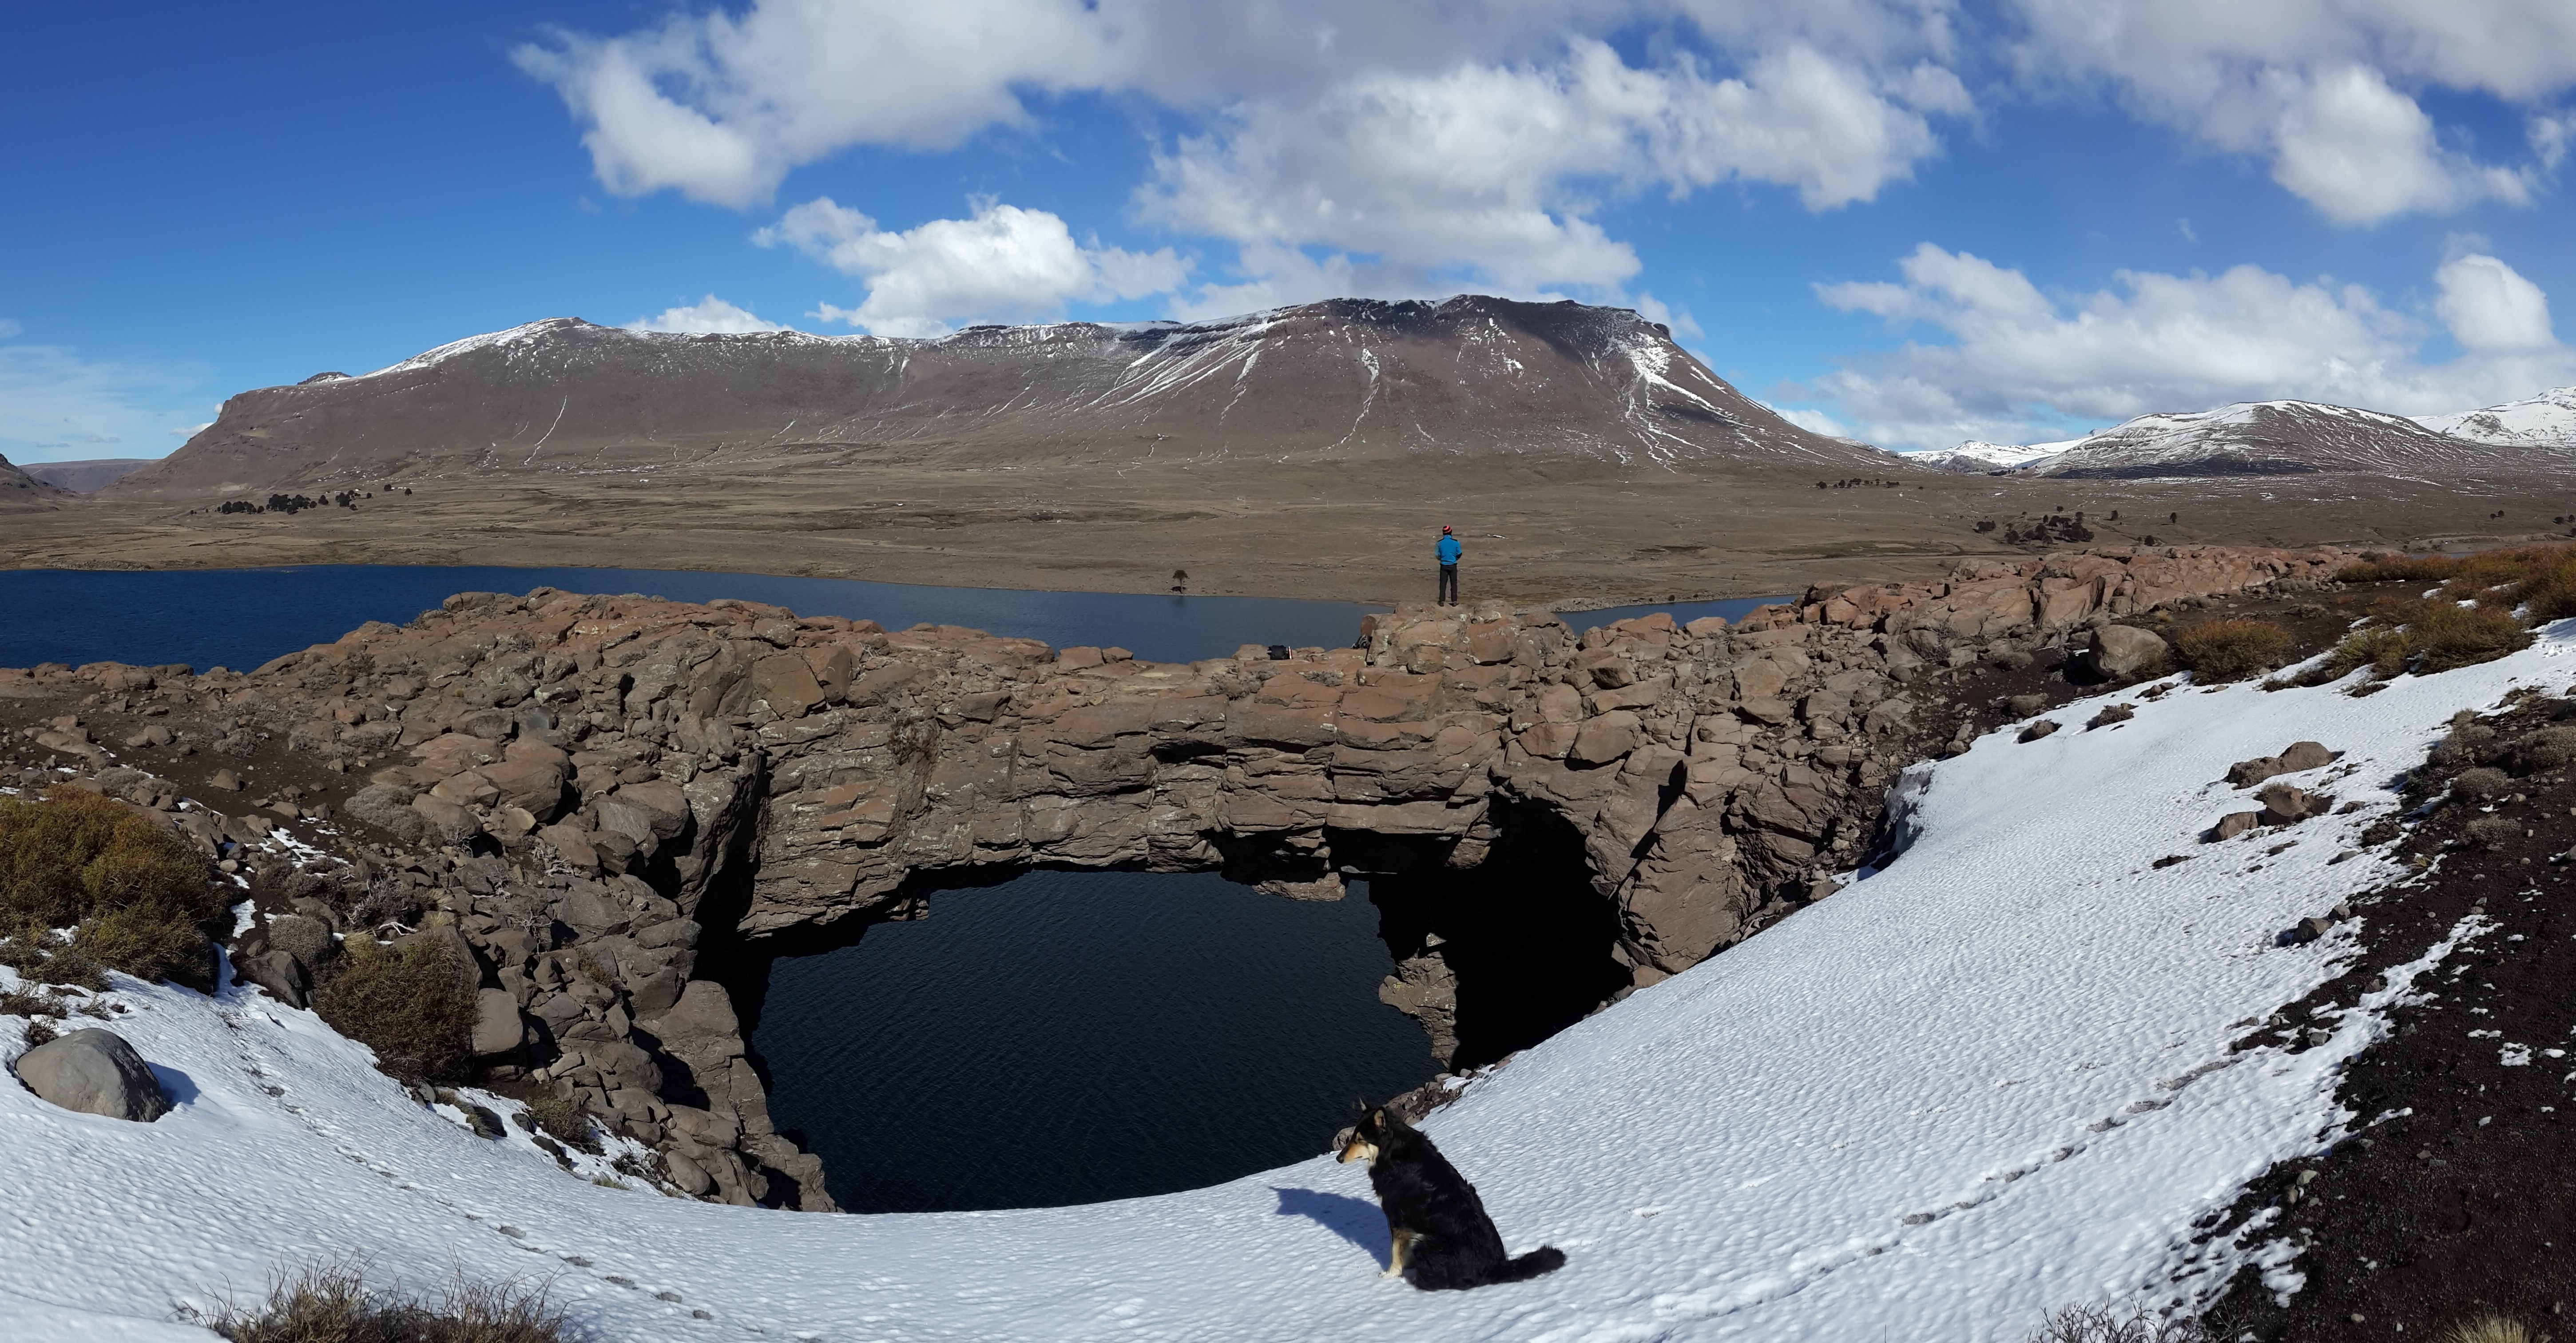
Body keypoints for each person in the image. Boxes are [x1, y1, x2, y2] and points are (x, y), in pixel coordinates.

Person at [1435, 524, 1462, 605]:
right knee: (1454, 583)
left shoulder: (1439, 543)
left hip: (1444, 565)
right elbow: (1459, 553)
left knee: (1443, 584)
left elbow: (1437, 554)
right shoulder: (1455, 542)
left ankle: (1442, 601)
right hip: (1453, 565)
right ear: (1451, 532)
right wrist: (1454, 559)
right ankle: (1454, 601)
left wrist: (1442, 559)